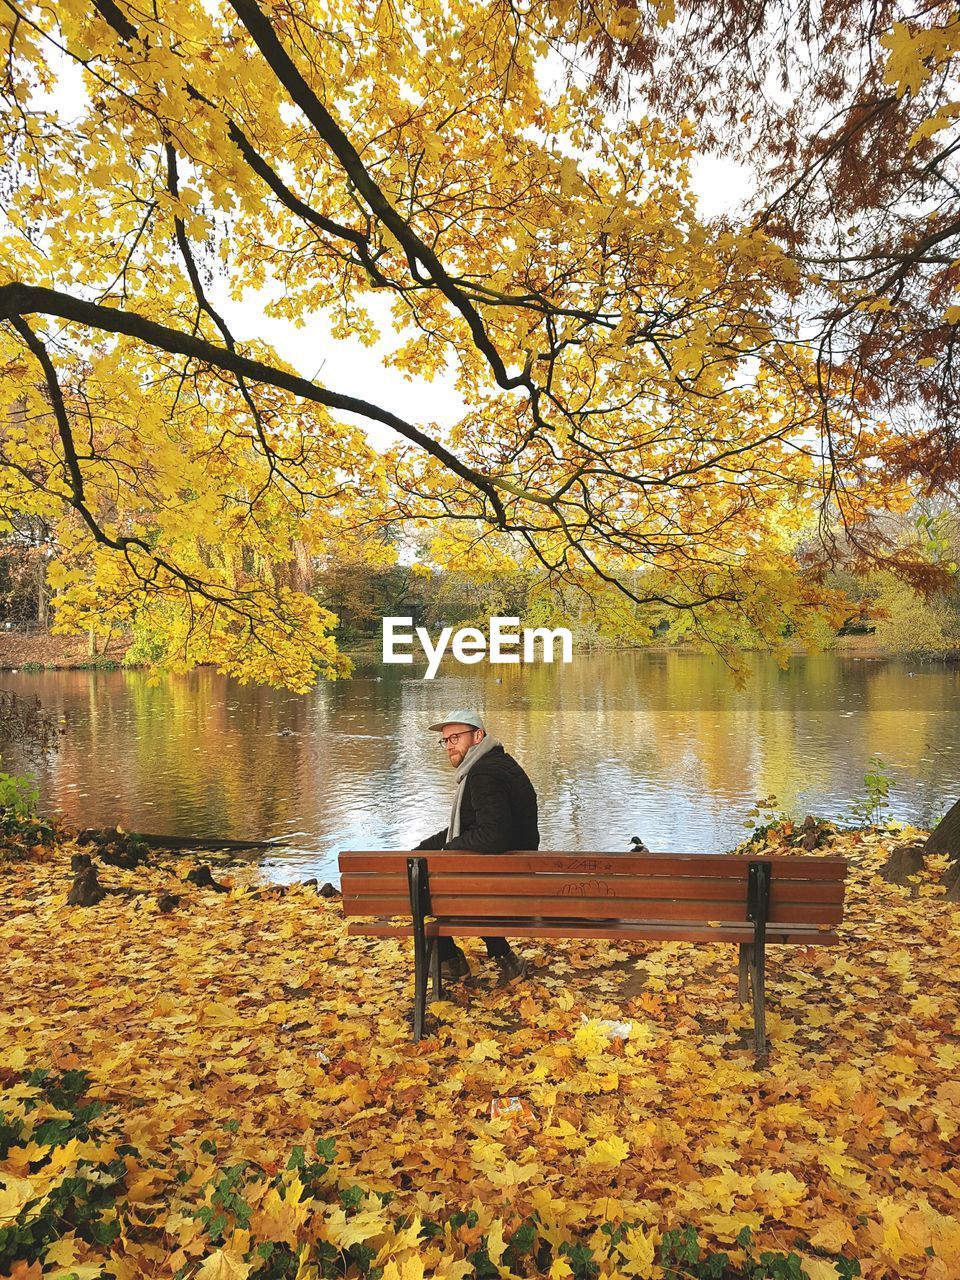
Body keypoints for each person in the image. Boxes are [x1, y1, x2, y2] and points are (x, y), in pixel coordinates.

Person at [415, 710, 538, 984]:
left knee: (426, 884)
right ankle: (504, 958)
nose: (449, 745)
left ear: (478, 736)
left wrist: (447, 851)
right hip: (513, 874)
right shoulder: (496, 764)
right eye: (445, 740)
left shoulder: (484, 774)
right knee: (433, 870)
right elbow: (472, 828)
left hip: (504, 883)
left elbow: (492, 836)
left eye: (455, 737)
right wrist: (423, 849)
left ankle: (449, 959)